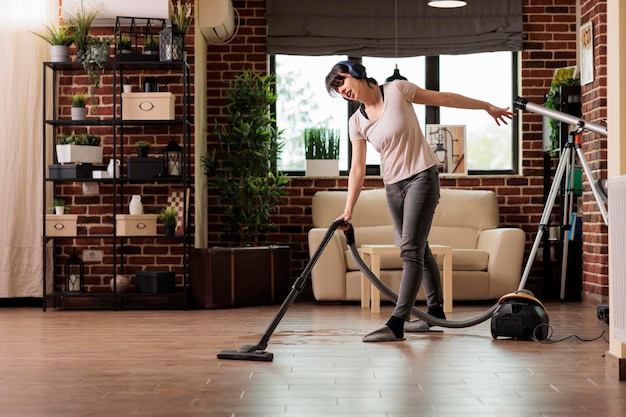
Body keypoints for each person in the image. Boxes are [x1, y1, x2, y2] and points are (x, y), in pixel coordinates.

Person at [325, 61, 513, 342]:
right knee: (417, 248)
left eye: (342, 82)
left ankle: (397, 322)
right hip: (393, 187)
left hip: (421, 177)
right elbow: (358, 169)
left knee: (410, 250)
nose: (343, 91)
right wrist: (348, 208)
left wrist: (487, 105)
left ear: (356, 74)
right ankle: (435, 312)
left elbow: (445, 98)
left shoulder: (398, 90)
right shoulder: (356, 122)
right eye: (337, 90)